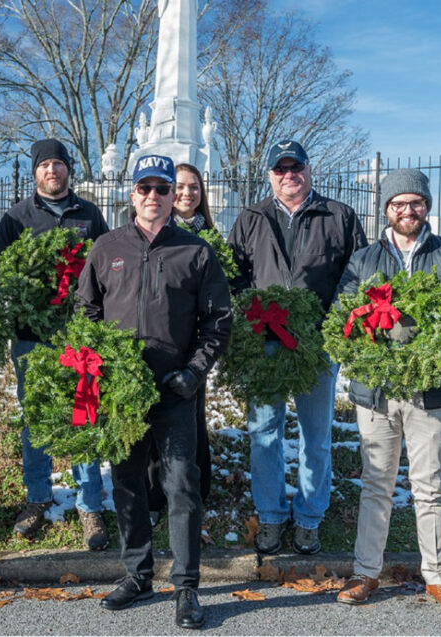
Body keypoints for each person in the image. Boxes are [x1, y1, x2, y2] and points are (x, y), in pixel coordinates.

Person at [77, 154, 232, 630]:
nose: (153, 196)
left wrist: (193, 372)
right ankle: (137, 575)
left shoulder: (195, 252)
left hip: (174, 390)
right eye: (145, 188)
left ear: (171, 196)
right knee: (127, 482)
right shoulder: (106, 247)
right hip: (122, 393)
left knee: (182, 483)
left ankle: (186, 587)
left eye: (162, 189)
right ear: (132, 194)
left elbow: (218, 321)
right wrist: (100, 369)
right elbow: (86, 312)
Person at [334, 168, 441, 615]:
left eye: (416, 203)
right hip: (377, 392)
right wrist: (368, 357)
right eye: (398, 203)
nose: (408, 210)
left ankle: (439, 578)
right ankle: (366, 572)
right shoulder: (364, 260)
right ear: (386, 209)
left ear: (427, 206)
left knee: (430, 486)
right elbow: (341, 314)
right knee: (375, 484)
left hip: (434, 392)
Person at [227, 140, 367, 555]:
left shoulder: (339, 216)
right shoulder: (251, 218)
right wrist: (252, 311)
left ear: (309, 170)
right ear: (270, 175)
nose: (289, 175)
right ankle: (271, 515)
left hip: (316, 343)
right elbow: (234, 273)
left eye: (296, 167)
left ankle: (309, 516)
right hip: (264, 342)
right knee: (263, 432)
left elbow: (357, 273)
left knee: (316, 435)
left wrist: (333, 319)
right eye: (281, 169)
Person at [0, 139, 113, 550]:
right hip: (31, 337)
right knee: (36, 418)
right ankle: (38, 496)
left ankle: (89, 502)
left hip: (79, 336)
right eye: (45, 165)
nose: (52, 171)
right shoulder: (16, 218)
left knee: (84, 414)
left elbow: (106, 268)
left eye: (58, 164)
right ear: (36, 171)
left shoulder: (89, 215)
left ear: (68, 169)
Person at [146, 163, 216, 525]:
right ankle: (154, 493)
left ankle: (194, 490)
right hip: (157, 342)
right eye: (182, 187)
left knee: (193, 420)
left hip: (194, 348)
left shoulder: (209, 238)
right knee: (152, 423)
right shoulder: (153, 232)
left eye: (194, 188)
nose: (188, 194)